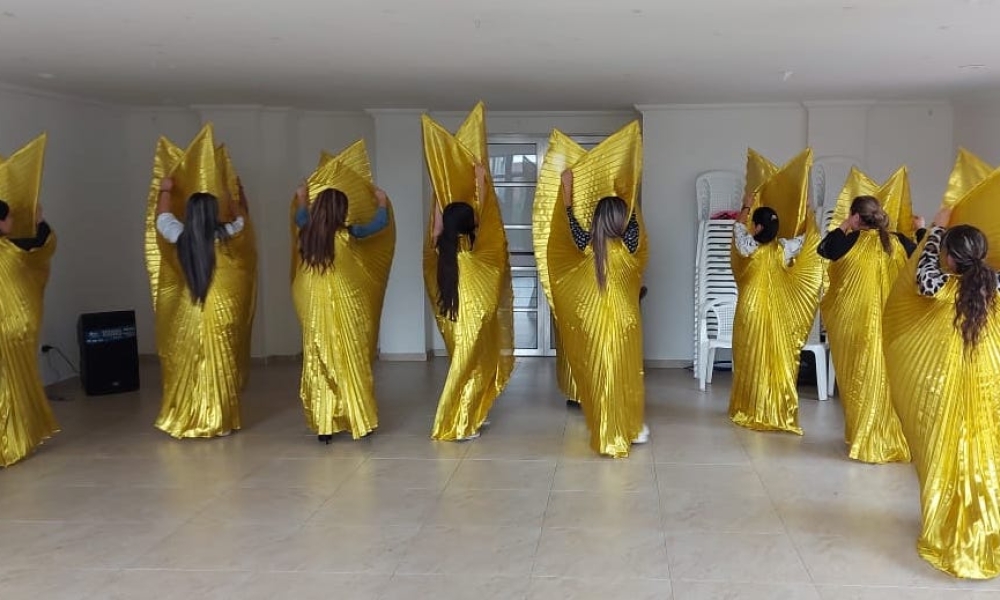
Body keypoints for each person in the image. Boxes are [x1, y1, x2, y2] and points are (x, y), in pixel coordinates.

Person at [885, 203, 1000, 579]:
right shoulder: (994, 284)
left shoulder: (934, 284)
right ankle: (984, 524)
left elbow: (922, 269)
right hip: (986, 381)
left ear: (949, 258)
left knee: (944, 451)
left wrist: (935, 229)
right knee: (982, 452)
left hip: (944, 383)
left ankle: (944, 522)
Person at [150, 162, 256, 438]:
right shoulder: (226, 235)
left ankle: (189, 416)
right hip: (221, 311)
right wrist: (236, 197)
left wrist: (165, 190)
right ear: (212, 213)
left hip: (190, 310)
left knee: (190, 363)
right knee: (221, 363)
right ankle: (219, 420)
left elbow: (161, 218)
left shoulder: (181, 236)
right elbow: (243, 220)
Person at [818, 195, 924, 463]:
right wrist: (921, 228)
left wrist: (845, 224)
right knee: (887, 381)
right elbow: (925, 255)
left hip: (856, 327)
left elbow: (824, 249)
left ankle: (864, 437)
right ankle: (888, 437)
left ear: (856, 216)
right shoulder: (899, 242)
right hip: (891, 328)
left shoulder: (846, 241)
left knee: (860, 379)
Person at [556, 167, 649, 456]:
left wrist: (567, 189)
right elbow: (634, 217)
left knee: (602, 373)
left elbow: (568, 220)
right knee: (626, 372)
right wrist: (626, 186)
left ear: (596, 219)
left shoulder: (586, 245)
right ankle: (629, 426)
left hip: (595, 324)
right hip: (626, 322)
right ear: (622, 219)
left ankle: (609, 427)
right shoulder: (631, 242)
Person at [292, 179, 393, 444]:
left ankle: (325, 424)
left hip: (312, 304)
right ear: (341, 211)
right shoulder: (349, 234)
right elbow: (379, 224)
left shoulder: (306, 232)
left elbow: (300, 215)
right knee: (350, 358)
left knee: (320, 358)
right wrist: (381, 201)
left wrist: (302, 196)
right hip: (345, 306)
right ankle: (359, 419)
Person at [729, 159, 824, 435]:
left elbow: (738, 227)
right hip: (777, 310)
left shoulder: (746, 245)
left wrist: (747, 205)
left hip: (750, 308)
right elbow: (809, 239)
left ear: (756, 228)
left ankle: (751, 405)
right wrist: (807, 211)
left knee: (749, 356)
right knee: (773, 355)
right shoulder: (784, 248)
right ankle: (771, 405)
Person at [424, 159, 513, 441]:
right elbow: (489, 221)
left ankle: (470, 413)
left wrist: (439, 190)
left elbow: (438, 226)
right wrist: (481, 183)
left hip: (454, 321)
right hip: (472, 323)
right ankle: (458, 424)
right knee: (472, 366)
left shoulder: (441, 248)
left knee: (465, 366)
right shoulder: (475, 249)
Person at [0, 199, 58, 466]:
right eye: (9, 217)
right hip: (12, 330)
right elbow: (44, 244)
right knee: (12, 383)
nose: (12, 222)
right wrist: (39, 219)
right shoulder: (12, 247)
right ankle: (11, 439)